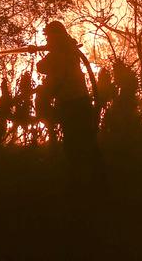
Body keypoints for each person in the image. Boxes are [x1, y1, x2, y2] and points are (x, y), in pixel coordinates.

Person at [35, 21, 101, 182]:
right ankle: (95, 179)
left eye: (49, 36)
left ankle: (82, 181)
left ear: (55, 36)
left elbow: (41, 66)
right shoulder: (68, 49)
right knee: (86, 142)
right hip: (81, 103)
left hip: (72, 105)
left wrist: (42, 52)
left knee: (74, 145)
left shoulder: (61, 53)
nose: (47, 40)